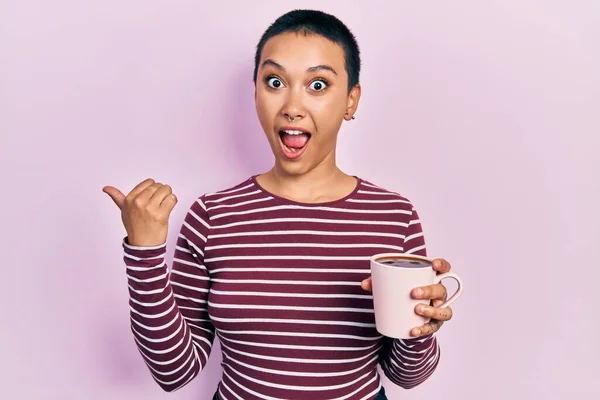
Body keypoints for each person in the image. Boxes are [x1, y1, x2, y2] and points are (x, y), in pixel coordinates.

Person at [103, 9, 457, 400]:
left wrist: (421, 326)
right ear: (255, 93)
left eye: (318, 85)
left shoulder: (394, 216)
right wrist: (145, 253)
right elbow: (174, 370)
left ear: (350, 101)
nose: (292, 105)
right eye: (275, 82)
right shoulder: (212, 216)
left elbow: (407, 376)